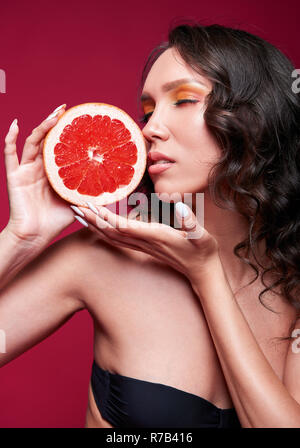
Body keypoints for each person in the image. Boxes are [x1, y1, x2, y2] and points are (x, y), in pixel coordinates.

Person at [1, 22, 300, 428]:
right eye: (147, 109)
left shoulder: (292, 284)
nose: (149, 128)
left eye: (182, 101)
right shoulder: (102, 256)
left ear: (255, 116)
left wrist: (206, 273)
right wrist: (21, 237)